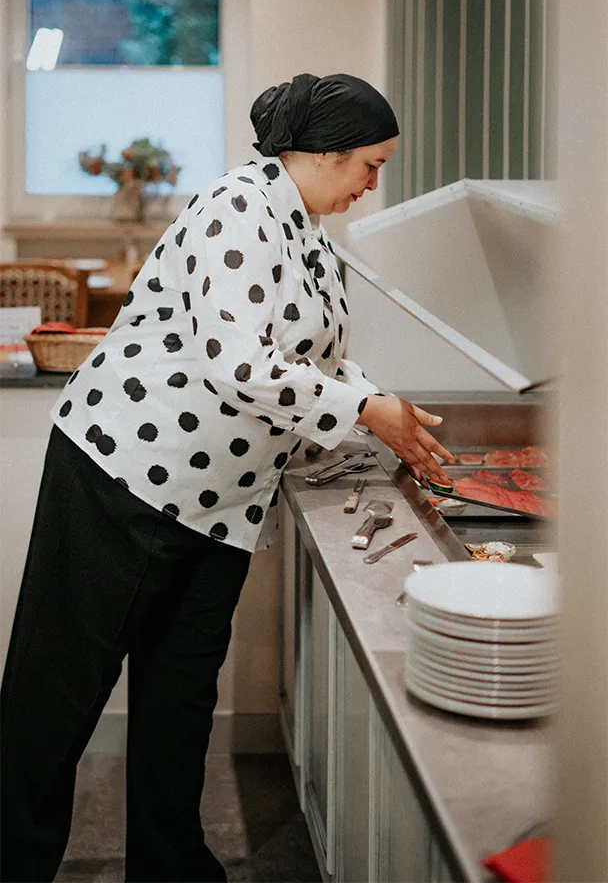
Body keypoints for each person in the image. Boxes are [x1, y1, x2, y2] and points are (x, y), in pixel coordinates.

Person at [0, 72, 454, 883]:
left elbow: (315, 362)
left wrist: (381, 423)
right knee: (56, 699)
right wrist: (367, 408)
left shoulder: (310, 231)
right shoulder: (237, 208)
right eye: (369, 165)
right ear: (320, 154)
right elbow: (241, 362)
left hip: (219, 503)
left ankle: (171, 869)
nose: (374, 183)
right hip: (126, 475)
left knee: (179, 701)